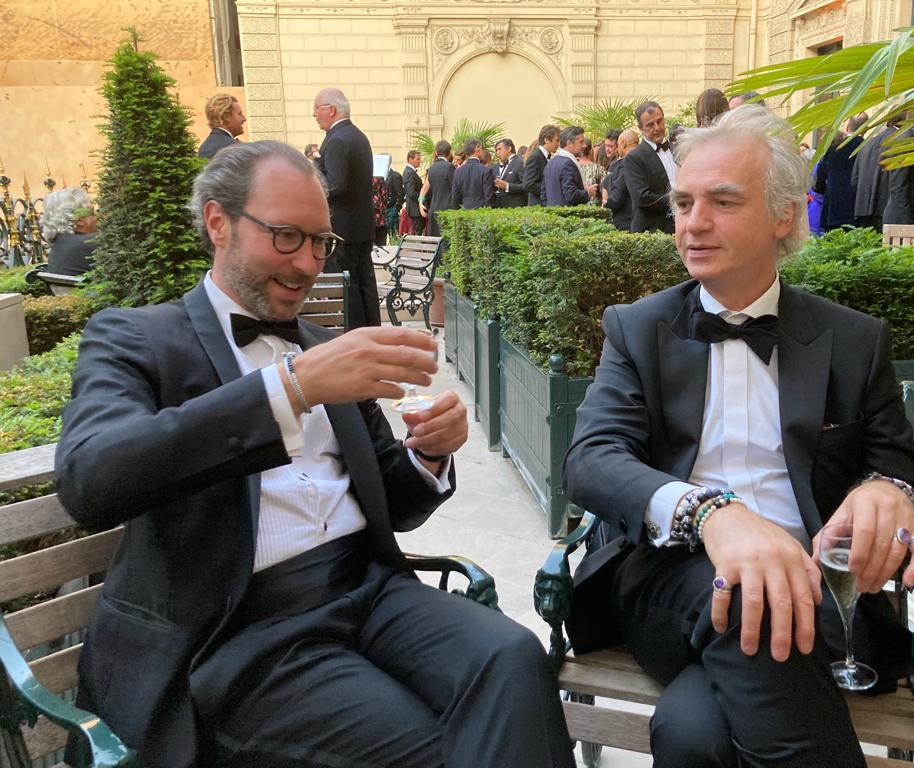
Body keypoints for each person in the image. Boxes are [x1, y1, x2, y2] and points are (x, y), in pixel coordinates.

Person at [55, 140, 576, 768]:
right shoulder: (136, 338)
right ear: (218, 223)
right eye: (286, 237)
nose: (307, 263)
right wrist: (290, 389)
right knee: (433, 748)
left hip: (369, 588)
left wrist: (429, 455)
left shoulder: (324, 344)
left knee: (516, 660)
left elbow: (395, 502)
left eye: (320, 242)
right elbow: (90, 478)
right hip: (243, 629)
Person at [563, 106, 914, 768]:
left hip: (819, 596)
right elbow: (591, 461)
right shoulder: (637, 328)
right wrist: (711, 514)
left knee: (693, 734)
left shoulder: (853, 341)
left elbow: (912, 490)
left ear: (784, 215)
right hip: (669, 582)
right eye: (683, 202)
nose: (693, 222)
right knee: (745, 593)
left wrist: (892, 495)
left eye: (723, 201)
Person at [313, 87, 380, 327]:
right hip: (361, 226)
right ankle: (372, 332)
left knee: (346, 287)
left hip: (341, 229)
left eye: (316, 108)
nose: (314, 114)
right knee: (365, 284)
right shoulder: (358, 136)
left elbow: (336, 185)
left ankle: (355, 336)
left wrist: (314, 182)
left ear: (331, 109)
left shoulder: (337, 140)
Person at [623, 100, 674, 233]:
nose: (657, 128)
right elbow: (642, 197)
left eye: (660, 121)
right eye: (650, 125)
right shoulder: (634, 158)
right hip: (652, 232)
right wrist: (678, 200)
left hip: (681, 227)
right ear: (640, 128)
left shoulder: (676, 150)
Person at [813, 113, 868, 231]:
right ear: (866, 128)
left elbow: (818, 182)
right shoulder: (867, 148)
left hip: (832, 210)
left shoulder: (833, 147)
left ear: (847, 127)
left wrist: (831, 192)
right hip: (857, 211)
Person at [852, 114, 903, 232]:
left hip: (863, 206)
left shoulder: (867, 144)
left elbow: (855, 179)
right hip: (887, 206)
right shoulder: (900, 141)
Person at [39, 186, 98, 275]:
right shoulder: (91, 243)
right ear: (79, 220)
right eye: (93, 212)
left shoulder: (60, 245)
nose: (98, 216)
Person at [543, 126, 594, 207]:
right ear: (569, 143)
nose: (584, 146)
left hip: (553, 212)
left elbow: (544, 194)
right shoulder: (567, 164)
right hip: (567, 213)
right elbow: (571, 195)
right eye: (581, 142)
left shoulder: (551, 162)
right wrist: (588, 192)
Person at [603, 129, 639, 231]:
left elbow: (617, 196)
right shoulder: (645, 161)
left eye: (617, 145)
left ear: (623, 144)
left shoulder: (624, 164)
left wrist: (606, 206)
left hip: (624, 221)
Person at [422, 140, 457, 235]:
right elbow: (455, 189)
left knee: (436, 239)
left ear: (436, 152)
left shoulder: (431, 168)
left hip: (434, 208)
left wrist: (420, 202)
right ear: (450, 152)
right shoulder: (450, 167)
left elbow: (425, 188)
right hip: (448, 209)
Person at [198, 94, 246, 160]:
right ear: (226, 117)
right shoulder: (236, 148)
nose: (244, 118)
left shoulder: (204, 148)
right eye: (239, 114)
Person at [452, 139, 495, 209]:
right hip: (481, 211)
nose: (482, 151)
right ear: (477, 149)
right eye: (481, 149)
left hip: (464, 211)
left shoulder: (458, 171)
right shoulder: (486, 170)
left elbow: (455, 196)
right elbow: (489, 196)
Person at [523, 125, 560, 206]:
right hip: (538, 205)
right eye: (556, 140)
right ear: (546, 140)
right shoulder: (535, 157)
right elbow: (529, 184)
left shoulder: (547, 156)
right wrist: (551, 189)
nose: (558, 144)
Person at [494, 137, 527, 208]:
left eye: (500, 149)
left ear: (509, 149)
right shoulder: (498, 165)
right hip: (500, 208)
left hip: (516, 208)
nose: (497, 153)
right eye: (496, 150)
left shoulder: (520, 162)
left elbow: (526, 185)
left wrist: (507, 186)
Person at [403, 150, 426, 235]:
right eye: (417, 159)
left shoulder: (410, 172)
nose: (420, 161)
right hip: (415, 209)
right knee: (417, 233)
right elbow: (411, 192)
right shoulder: (409, 172)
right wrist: (422, 198)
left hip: (415, 209)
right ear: (410, 159)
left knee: (417, 232)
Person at [577, 137, 605, 203]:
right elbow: (604, 189)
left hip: (575, 206)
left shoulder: (572, 167)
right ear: (590, 151)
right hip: (593, 206)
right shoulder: (598, 169)